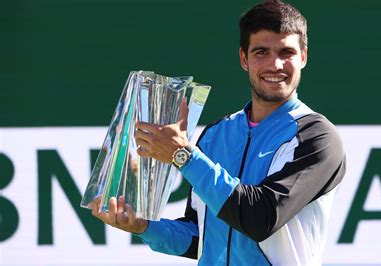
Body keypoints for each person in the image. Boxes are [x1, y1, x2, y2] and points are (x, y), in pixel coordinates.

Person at [91, 0, 346, 265]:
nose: (276, 65)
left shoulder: (317, 137)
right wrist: (144, 226)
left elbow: (261, 218)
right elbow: (200, 235)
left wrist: (184, 156)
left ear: (303, 57)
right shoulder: (216, 134)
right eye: (261, 52)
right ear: (244, 59)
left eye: (286, 52)